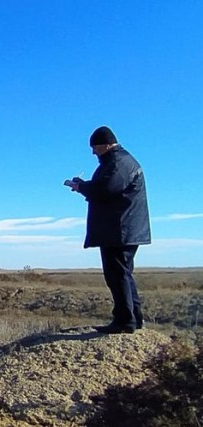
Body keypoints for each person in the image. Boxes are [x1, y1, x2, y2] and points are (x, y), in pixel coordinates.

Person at [67, 126, 151, 334]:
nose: (93, 152)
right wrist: (85, 186)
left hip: (120, 230)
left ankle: (124, 321)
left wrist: (81, 187)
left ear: (105, 145)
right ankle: (134, 319)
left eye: (94, 147)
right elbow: (107, 188)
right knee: (123, 274)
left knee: (117, 275)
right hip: (122, 228)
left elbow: (105, 189)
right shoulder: (120, 161)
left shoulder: (118, 162)